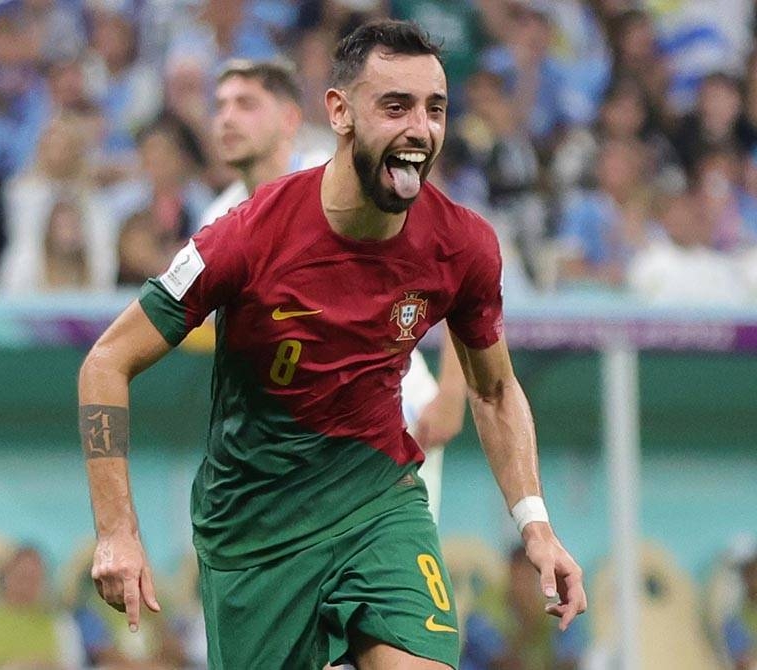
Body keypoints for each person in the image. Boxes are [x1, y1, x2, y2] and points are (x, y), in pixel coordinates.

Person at [78, 20, 586, 670]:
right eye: (395, 106)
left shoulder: (462, 243)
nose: (420, 129)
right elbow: (106, 362)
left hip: (379, 505)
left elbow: (493, 387)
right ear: (339, 113)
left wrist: (537, 527)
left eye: (435, 109)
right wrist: (117, 531)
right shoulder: (245, 236)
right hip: (254, 533)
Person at [202, 57, 465, 524]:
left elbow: (458, 260)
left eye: (245, 104)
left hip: (394, 417)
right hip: (298, 441)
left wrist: (451, 393)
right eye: (220, 105)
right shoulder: (219, 221)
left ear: (289, 119)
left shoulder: (350, 174)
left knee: (390, 588)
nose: (226, 118)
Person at [460, 545, 586, 670]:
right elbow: (501, 662)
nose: (525, 587)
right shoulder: (484, 611)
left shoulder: (557, 610)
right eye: (521, 578)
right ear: (511, 573)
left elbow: (570, 660)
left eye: (531, 578)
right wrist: (530, 625)